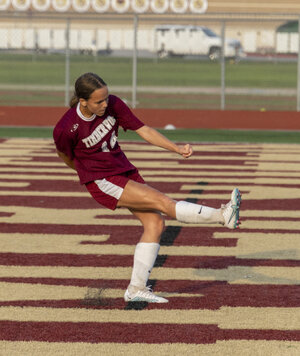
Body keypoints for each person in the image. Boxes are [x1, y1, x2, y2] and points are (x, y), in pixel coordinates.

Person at [53, 72, 241, 304]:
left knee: (155, 223)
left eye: (106, 98)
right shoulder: (66, 128)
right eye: (99, 101)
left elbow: (144, 130)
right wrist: (89, 174)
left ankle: (136, 289)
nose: (105, 104)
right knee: (163, 203)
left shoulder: (114, 104)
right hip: (103, 180)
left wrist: (176, 149)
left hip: (123, 170)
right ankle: (223, 216)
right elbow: (65, 156)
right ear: (83, 102)